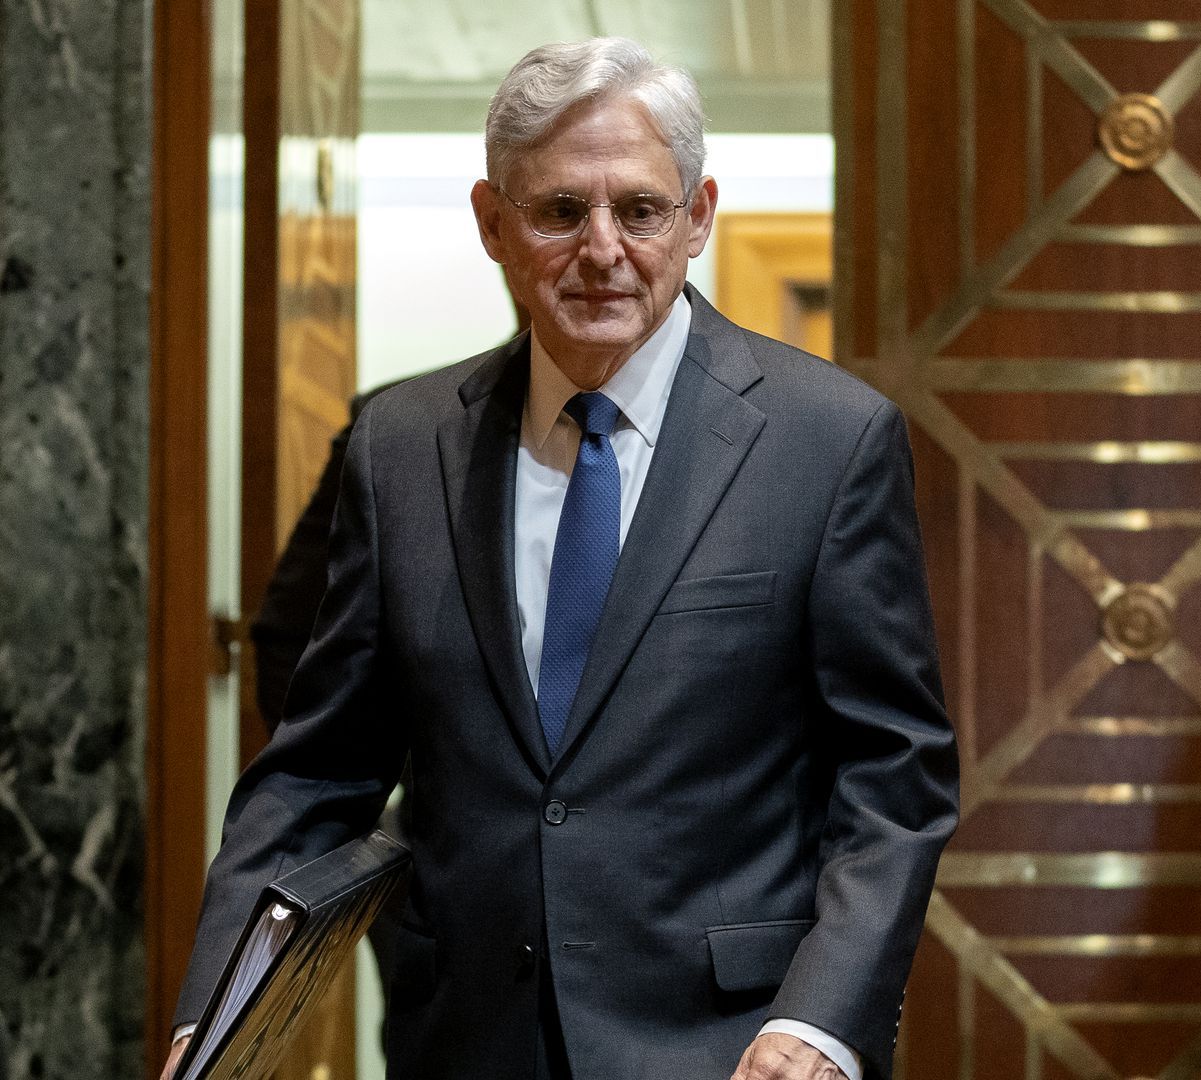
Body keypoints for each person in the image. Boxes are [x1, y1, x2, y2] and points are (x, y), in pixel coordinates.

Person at [165, 38, 958, 1080]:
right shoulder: (402, 448)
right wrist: (215, 1025)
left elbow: (893, 778)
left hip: (732, 1047)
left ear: (699, 216)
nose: (602, 249)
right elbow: (318, 774)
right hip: (464, 1041)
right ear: (493, 222)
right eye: (560, 211)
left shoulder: (828, 439)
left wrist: (819, 1025)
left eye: (641, 210)